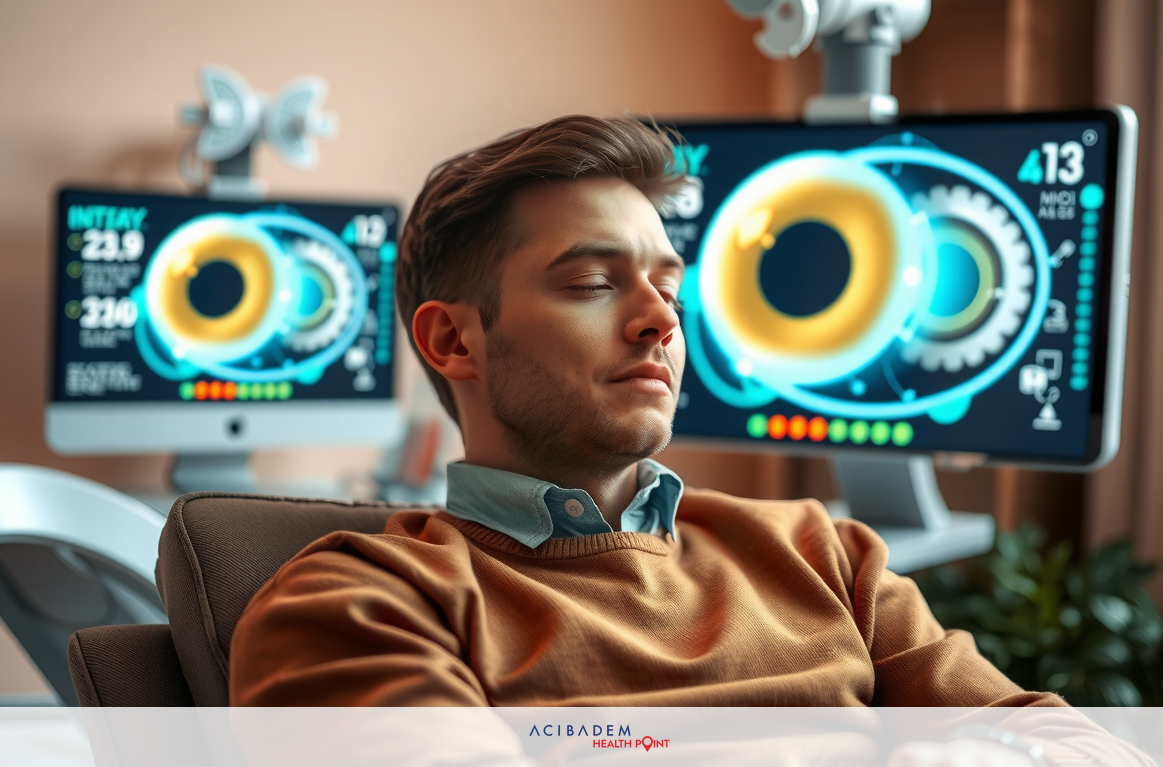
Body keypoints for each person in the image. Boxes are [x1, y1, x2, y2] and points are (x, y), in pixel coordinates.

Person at [228, 115, 1060, 710]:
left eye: (669, 286)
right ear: (454, 341)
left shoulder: (827, 556)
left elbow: (1052, 744)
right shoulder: (357, 606)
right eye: (592, 282)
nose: (661, 319)